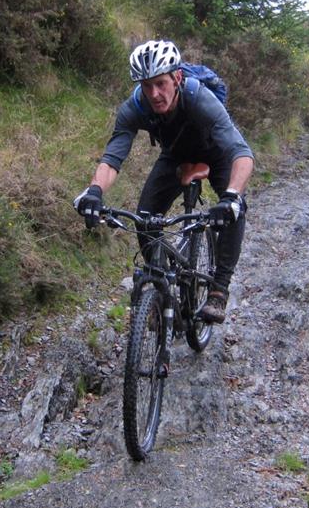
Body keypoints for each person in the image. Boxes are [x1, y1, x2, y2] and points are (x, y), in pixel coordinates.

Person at [73, 39, 254, 324]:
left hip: (216, 153)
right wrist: (94, 191)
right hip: (176, 156)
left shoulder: (198, 98)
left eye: (160, 84)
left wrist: (231, 196)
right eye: (147, 86)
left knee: (235, 211)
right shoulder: (135, 107)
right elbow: (113, 157)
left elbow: (241, 153)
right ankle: (161, 283)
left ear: (177, 78)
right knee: (145, 217)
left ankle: (219, 289)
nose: (154, 94)